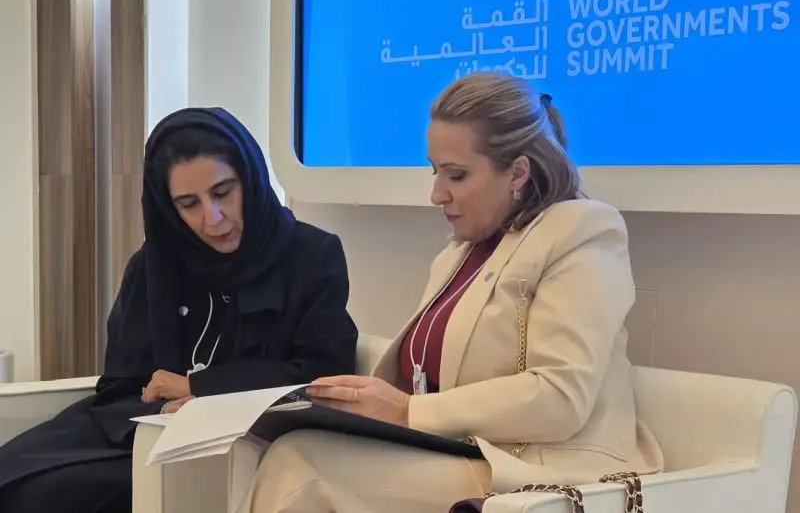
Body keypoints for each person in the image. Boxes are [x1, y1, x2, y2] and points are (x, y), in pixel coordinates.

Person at [241, 72, 665, 513]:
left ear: (518, 172)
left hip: (543, 468)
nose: (436, 194)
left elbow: (561, 397)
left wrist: (407, 411)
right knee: (292, 447)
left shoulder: (582, 229)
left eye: (456, 175)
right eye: (435, 171)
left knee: (303, 467)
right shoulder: (458, 253)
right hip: (463, 452)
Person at [0, 107, 359, 513]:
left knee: (48, 497)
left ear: (250, 179)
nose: (213, 218)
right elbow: (121, 381)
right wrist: (164, 409)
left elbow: (325, 374)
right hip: (136, 429)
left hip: (240, 445)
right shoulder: (154, 264)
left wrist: (202, 389)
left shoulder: (311, 256)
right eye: (189, 204)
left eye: (223, 192)